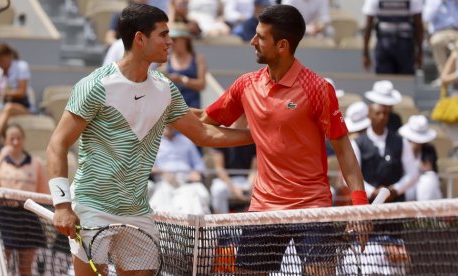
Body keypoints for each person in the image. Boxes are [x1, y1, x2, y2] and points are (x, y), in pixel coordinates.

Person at [46, 4, 252, 275]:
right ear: (140, 39)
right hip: (92, 207)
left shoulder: (165, 90)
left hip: (137, 211)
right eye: (163, 34)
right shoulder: (95, 86)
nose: (170, 41)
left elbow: (204, 133)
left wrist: (260, 136)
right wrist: (61, 205)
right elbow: (56, 145)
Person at [198, 5, 368, 275]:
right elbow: (205, 120)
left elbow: (345, 151)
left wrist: (360, 206)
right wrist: (165, 111)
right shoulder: (246, 85)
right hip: (265, 208)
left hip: (312, 208)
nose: (252, 42)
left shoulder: (318, 89)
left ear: (282, 46)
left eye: (260, 37)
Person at [0, 123, 48, 276]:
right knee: (1, 265)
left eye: (19, 138)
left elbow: (44, 195)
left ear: (23, 140)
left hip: (28, 218)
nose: (16, 142)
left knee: (26, 269)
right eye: (12, 139)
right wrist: (1, 158)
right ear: (4, 141)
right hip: (5, 217)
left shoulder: (36, 163)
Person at [352, 102, 418, 203]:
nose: (382, 117)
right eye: (378, 113)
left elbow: (413, 173)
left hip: (396, 203)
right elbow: (352, 176)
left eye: (385, 113)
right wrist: (372, 192)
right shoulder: (357, 143)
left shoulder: (401, 141)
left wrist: (395, 190)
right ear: (369, 115)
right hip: (367, 203)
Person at [149, 125, 210, 214]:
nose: (169, 126)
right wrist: (163, 173)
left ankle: (195, 225)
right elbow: (146, 165)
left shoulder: (187, 141)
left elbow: (199, 164)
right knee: (163, 204)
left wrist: (196, 172)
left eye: (171, 123)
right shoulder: (152, 142)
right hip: (164, 181)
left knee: (199, 196)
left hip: (187, 180)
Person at [362, 0, 424, 75]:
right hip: (404, 44)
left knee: (385, 81)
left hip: (385, 44)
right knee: (405, 81)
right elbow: (418, 26)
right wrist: (420, 52)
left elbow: (368, 26)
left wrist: (365, 53)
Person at [0, 43, 32, 141]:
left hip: (22, 107)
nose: (0, 63)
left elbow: (22, 92)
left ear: (9, 56)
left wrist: (2, 93)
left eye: (2, 60)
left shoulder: (21, 66)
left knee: (8, 108)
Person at [399, 115, 442, 201]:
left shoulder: (429, 149)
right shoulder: (401, 147)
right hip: (406, 183)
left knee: (428, 180)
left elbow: (428, 168)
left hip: (423, 187)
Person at [164, 22, 207, 109]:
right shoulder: (165, 59)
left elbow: (202, 84)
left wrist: (182, 80)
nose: (171, 42)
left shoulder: (198, 59)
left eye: (174, 39)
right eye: (170, 39)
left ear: (185, 40)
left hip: (192, 109)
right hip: (170, 111)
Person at [423, 0, 458, 80]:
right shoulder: (432, 2)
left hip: (456, 32)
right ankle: (444, 77)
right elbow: (427, 17)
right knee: (436, 42)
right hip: (440, 32)